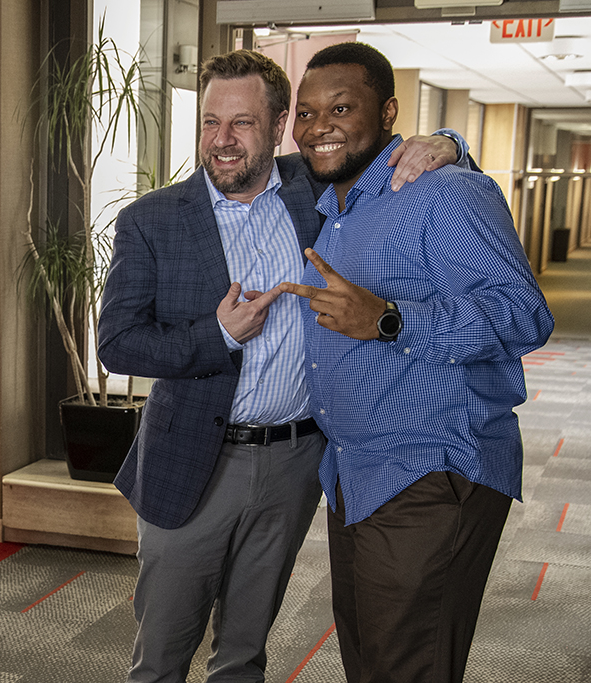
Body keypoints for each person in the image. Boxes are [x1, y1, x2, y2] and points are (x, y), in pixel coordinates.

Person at [97, 48, 463, 683]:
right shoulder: (151, 221)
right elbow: (118, 344)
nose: (223, 141)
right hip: (193, 460)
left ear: (278, 126)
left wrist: (449, 143)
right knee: (160, 657)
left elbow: (390, 152)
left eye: (242, 123)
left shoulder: (313, 187)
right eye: (211, 122)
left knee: (244, 652)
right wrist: (217, 333)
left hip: (294, 461)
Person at [279, 42, 554, 683]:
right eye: (307, 112)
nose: (319, 126)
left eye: (342, 107)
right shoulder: (335, 207)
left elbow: (525, 314)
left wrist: (390, 320)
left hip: (429, 474)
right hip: (356, 476)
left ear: (389, 113)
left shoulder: (442, 195)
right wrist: (454, 138)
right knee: (375, 663)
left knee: (409, 666)